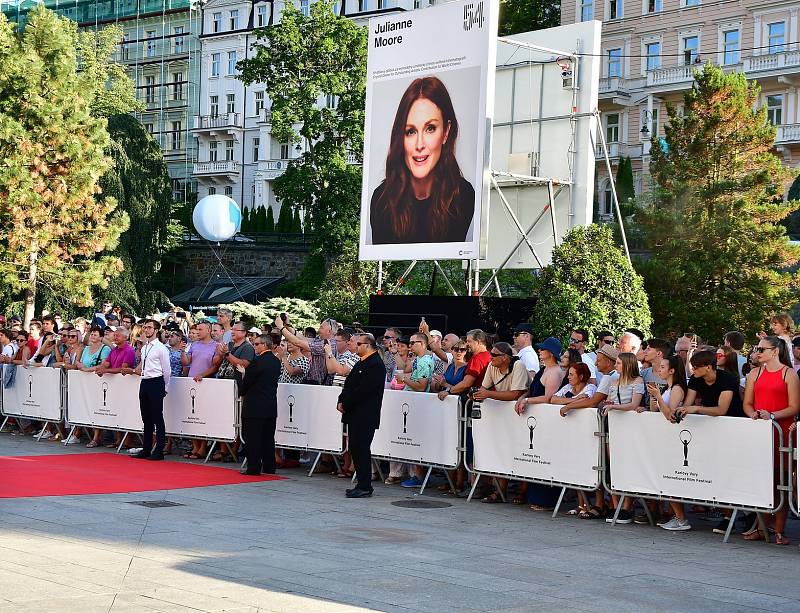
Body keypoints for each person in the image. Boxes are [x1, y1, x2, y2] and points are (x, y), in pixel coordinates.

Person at [369, 76, 475, 245]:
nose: (420, 145)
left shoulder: (463, 196)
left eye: (430, 129)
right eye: (410, 131)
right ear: (400, 137)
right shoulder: (381, 200)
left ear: (446, 132)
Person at [742, 336, 800, 545]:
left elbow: (794, 406)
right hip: (761, 433)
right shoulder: (754, 374)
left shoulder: (789, 374)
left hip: (782, 432)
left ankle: (779, 530)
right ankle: (760, 526)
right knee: (762, 481)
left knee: (781, 481)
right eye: (757, 349)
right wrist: (753, 415)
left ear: (775, 351)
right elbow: (747, 403)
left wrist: (772, 415)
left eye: (762, 349)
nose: (758, 352)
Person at [337, 334, 386, 498]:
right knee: (355, 448)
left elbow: (364, 390)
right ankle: (362, 483)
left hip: (365, 414)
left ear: (369, 345)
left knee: (361, 448)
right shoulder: (361, 362)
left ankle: (365, 485)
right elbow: (349, 384)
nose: (356, 346)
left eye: (359, 343)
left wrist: (346, 403)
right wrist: (341, 400)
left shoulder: (376, 365)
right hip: (354, 413)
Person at [647, 355, 691, 531]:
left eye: (663, 367)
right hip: (663, 438)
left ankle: (681, 518)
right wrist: (654, 400)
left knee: (672, 478)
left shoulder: (677, 388)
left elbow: (671, 416)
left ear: (672, 370)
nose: (659, 369)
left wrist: (658, 396)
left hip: (673, 438)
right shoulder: (668, 387)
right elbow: (655, 410)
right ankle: (676, 515)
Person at [123, 319, 171, 461]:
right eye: (145, 327)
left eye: (149, 327)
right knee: (146, 417)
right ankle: (146, 448)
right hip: (145, 381)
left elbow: (167, 370)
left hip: (156, 381)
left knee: (157, 417)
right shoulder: (144, 348)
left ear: (156, 330)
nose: (146, 330)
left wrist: (165, 387)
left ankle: (159, 451)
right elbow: (142, 366)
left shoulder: (161, 348)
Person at [238, 334, 281, 475]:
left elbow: (247, 383)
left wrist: (242, 385)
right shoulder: (276, 361)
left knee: (253, 438)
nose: (254, 346)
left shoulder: (257, 362)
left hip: (254, 406)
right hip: (270, 405)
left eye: (257, 344)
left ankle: (254, 467)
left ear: (264, 345)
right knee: (268, 438)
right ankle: (269, 466)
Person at [679, 350, 745, 418]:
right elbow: (687, 404)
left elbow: (721, 410)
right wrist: (680, 411)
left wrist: (697, 409)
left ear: (708, 367)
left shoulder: (727, 379)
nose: (692, 369)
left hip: (733, 419)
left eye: (695, 367)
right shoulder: (695, 378)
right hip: (709, 418)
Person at [275, 316, 338, 385]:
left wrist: (281, 327)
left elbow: (298, 342)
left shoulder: (328, 344)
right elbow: (302, 338)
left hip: (320, 387)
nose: (319, 330)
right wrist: (287, 325)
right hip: (314, 384)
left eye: (321, 327)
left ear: (329, 331)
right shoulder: (320, 340)